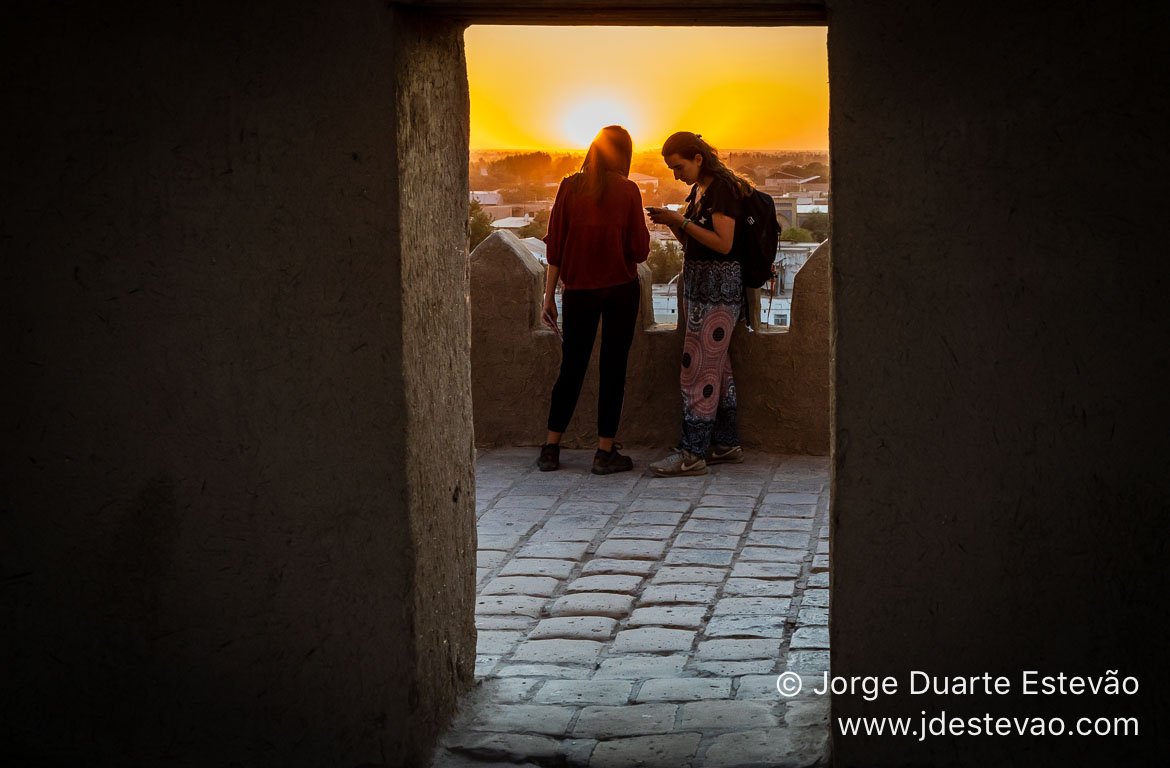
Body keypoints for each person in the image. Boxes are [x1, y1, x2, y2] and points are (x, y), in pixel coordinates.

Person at [537, 125, 650, 474]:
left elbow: (555, 246)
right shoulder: (628, 191)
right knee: (612, 369)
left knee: (571, 366)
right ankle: (604, 453)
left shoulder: (569, 187)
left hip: (578, 293)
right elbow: (640, 250)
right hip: (620, 289)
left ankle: (551, 448)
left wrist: (548, 296)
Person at [646, 132, 753, 476]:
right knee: (716, 368)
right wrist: (674, 222)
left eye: (678, 167)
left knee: (698, 370)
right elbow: (694, 238)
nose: (676, 175)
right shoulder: (699, 190)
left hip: (719, 290)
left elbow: (723, 244)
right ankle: (725, 443)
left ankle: (692, 454)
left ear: (698, 158)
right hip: (700, 287)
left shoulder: (722, 188)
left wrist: (682, 220)